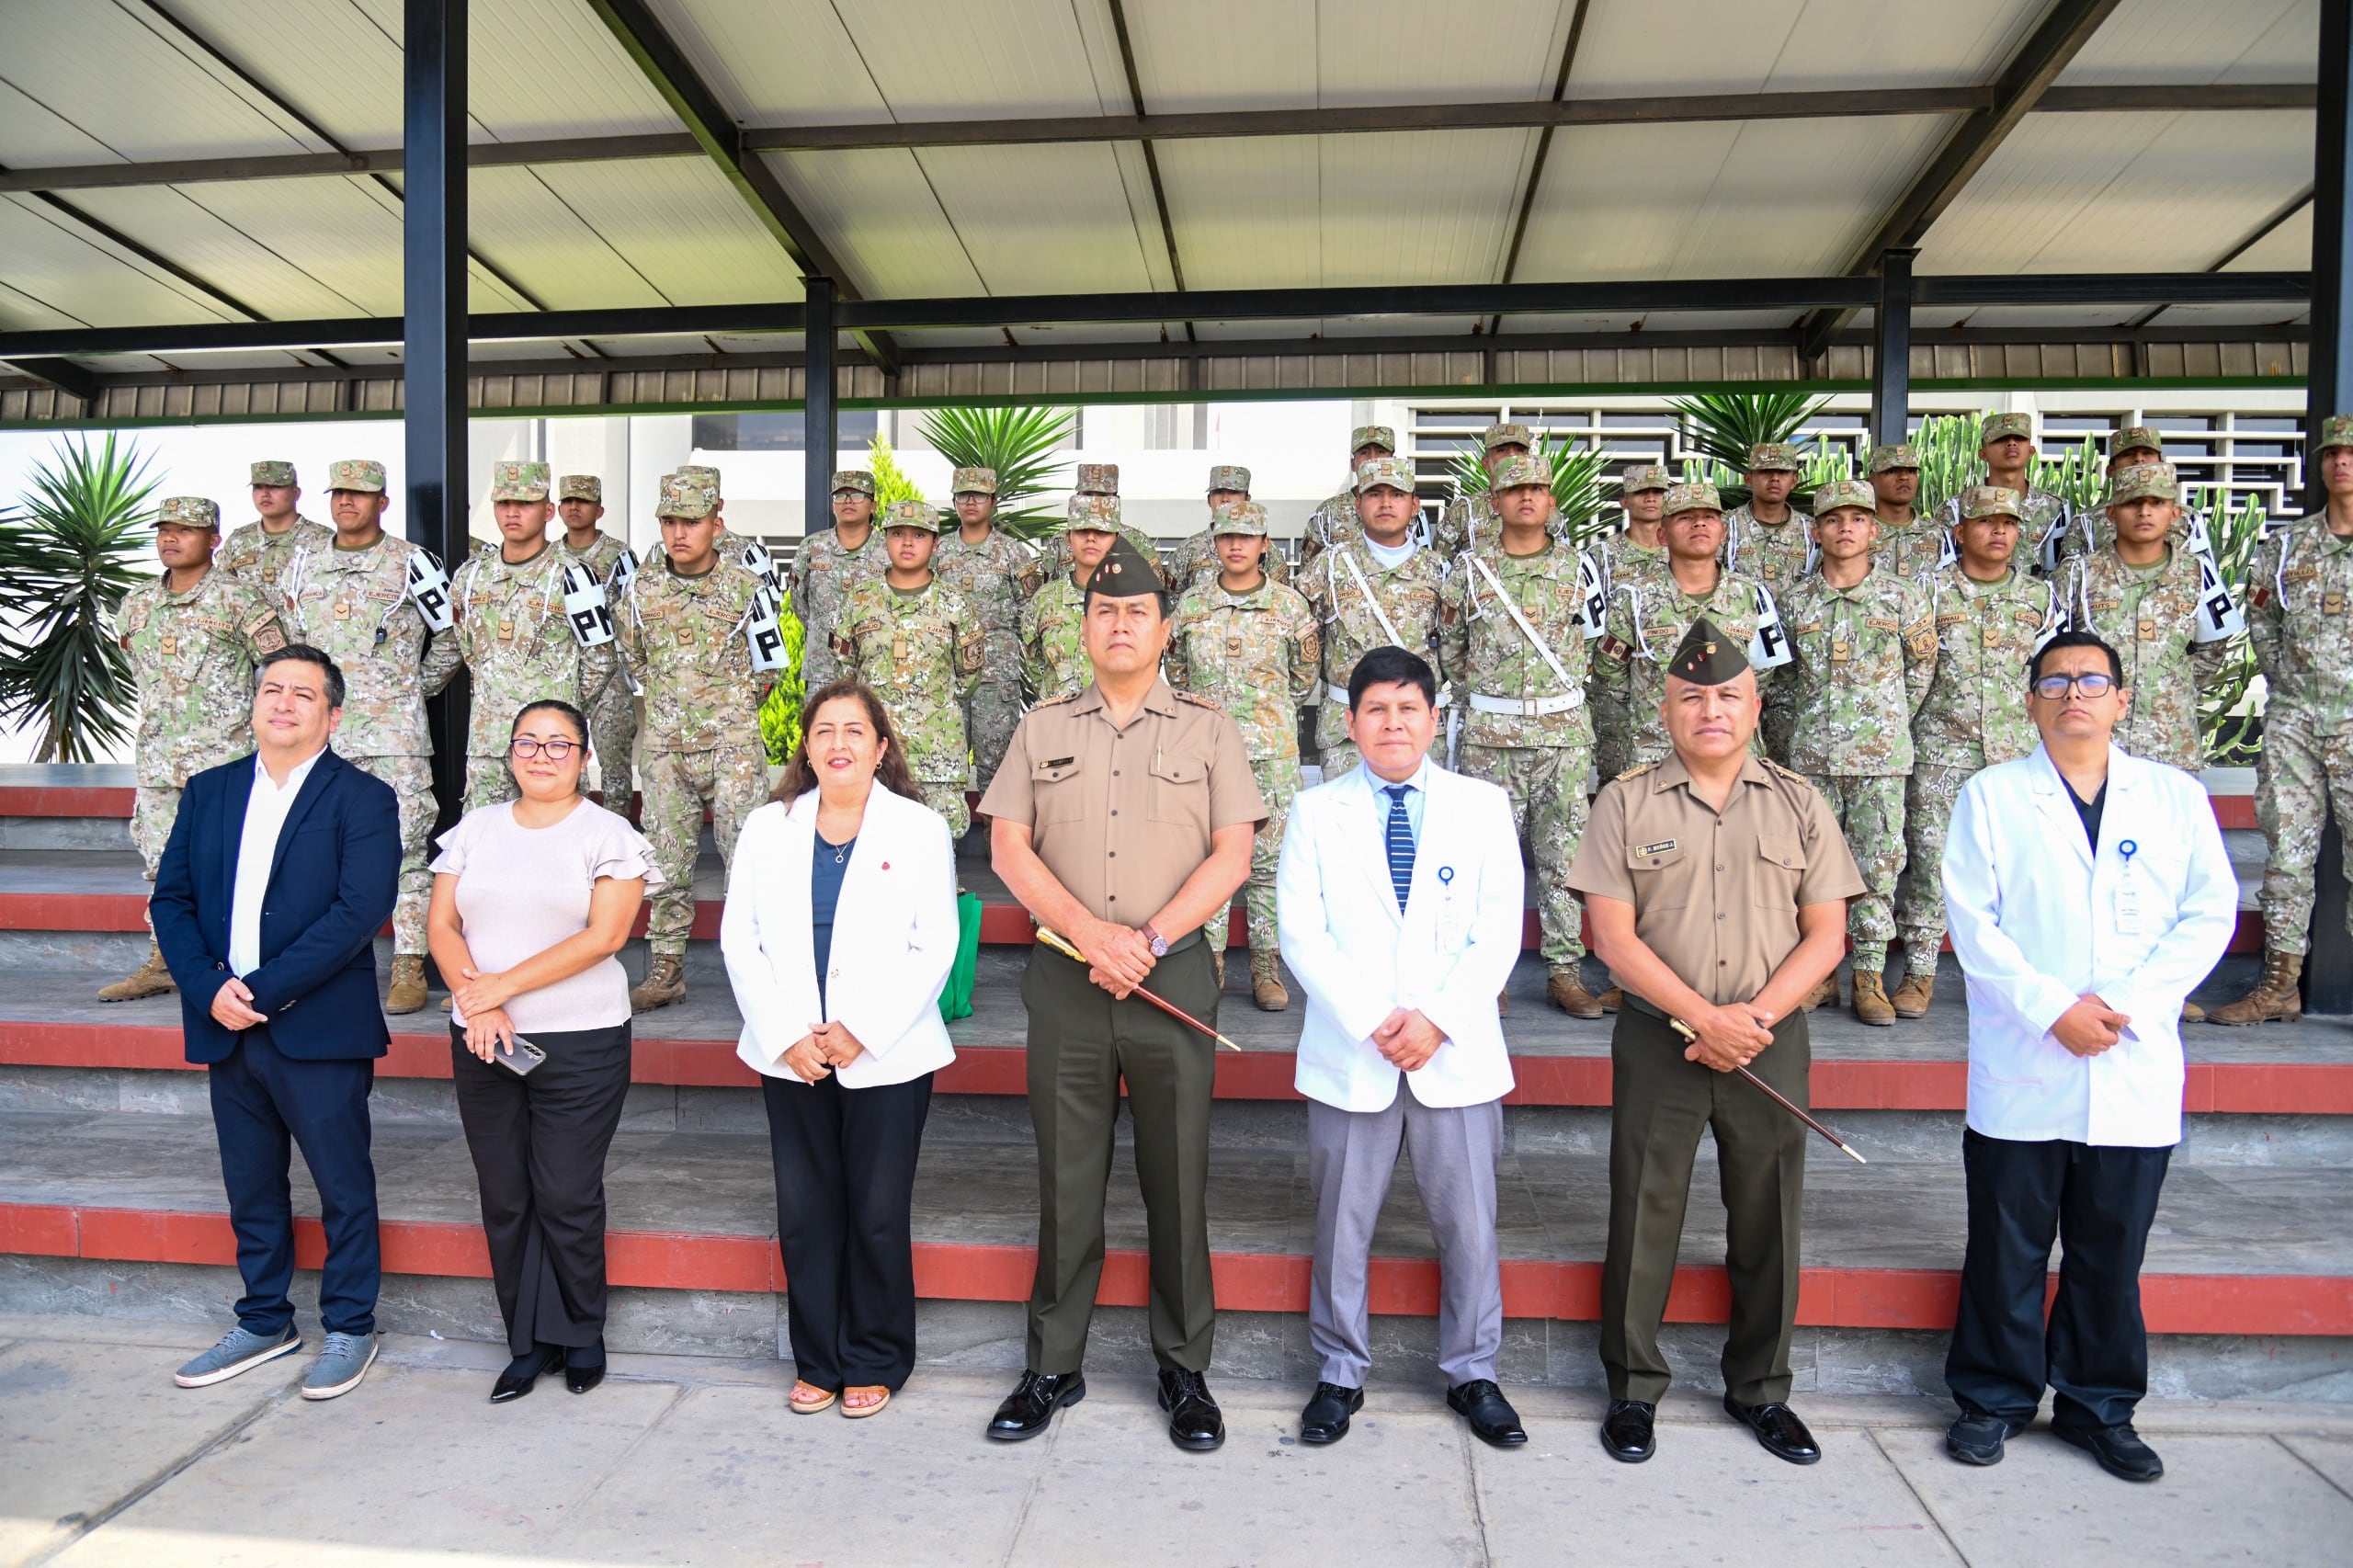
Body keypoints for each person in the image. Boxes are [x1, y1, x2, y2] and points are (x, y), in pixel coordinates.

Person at [979, 535, 1263, 1452]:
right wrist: (1091, 936)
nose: (1119, 623)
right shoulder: (1042, 726)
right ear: (1084, 626)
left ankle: (1183, 1367)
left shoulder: (1210, 727)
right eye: (1104, 610)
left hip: (1171, 972)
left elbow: (1234, 852)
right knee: (1067, 1180)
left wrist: (1144, 940)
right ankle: (1053, 1362)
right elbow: (1008, 847)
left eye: (1136, 610)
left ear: (1164, 629)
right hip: (1068, 977)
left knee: (1177, 1178)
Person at [1938, 629, 2237, 1481]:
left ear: (2122, 699)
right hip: (2028, 1054)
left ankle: (2099, 1407)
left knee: (2111, 1251)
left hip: (2133, 1059)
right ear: (2031, 700)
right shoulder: (1992, 794)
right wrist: (2053, 1010)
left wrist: (2129, 1007)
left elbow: (2209, 913)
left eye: (2093, 680)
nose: (2075, 694)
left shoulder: (2174, 795)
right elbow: (1973, 919)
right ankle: (1992, 1400)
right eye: (2056, 681)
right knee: (2008, 1245)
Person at [1566, 619, 1862, 1467]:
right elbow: (1615, 942)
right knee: (1643, 1211)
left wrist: (1751, 1022)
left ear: (1755, 705)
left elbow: (1827, 936)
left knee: (1770, 1216)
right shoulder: (1625, 801)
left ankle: (1762, 1390)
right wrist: (1705, 1019)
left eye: (1727, 696)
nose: (1711, 710)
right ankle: (1631, 1388)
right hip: (1663, 1040)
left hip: (1771, 1037)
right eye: (1692, 697)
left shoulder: (1801, 801)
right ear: (1666, 711)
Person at [1276, 646, 1529, 1450]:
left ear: (1434, 717)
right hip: (1357, 1052)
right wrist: (1375, 1021)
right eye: (1376, 709)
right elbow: (1300, 933)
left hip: (1453, 1050)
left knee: (1470, 1225)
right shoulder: (1316, 812)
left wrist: (1437, 1021)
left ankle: (1473, 1372)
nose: (1393, 723)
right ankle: (1339, 1373)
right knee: (1341, 1225)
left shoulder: (1482, 805)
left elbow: (1500, 929)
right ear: (1350, 724)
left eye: (1408, 708)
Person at [151, 645, 400, 1401]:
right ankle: (264, 1319)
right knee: (251, 1185)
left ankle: (351, 1326)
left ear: (333, 713)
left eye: (302, 693)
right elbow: (173, 901)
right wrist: (208, 988)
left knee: (342, 1184)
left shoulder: (364, 797)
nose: (283, 703)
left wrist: (259, 989)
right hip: (226, 1024)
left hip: (316, 1026)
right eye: (271, 690)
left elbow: (358, 911)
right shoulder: (210, 791)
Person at [722, 681, 959, 1419]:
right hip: (790, 1053)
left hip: (887, 1052)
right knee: (806, 1211)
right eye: (824, 730)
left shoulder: (920, 829)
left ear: (881, 747)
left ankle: (877, 1355)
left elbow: (935, 944)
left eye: (855, 731)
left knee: (878, 1211)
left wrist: (861, 1029)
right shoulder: (768, 827)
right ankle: (818, 1360)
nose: (839, 744)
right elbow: (741, 938)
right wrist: (788, 1032)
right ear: (807, 747)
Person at [427, 699, 654, 1403]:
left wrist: (500, 988)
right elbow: (442, 922)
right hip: (482, 1037)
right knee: (505, 1194)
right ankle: (525, 1343)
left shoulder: (608, 834)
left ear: (586, 758)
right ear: (511, 754)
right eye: (529, 742)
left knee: (565, 1191)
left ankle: (582, 1333)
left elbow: (605, 937)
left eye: (560, 744)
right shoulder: (476, 829)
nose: (542, 755)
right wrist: (482, 1001)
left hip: (581, 1039)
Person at [278, 458, 461, 1015]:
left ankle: (408, 964)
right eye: (338, 493)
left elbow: (453, 637)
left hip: (394, 739)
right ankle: (321, 963)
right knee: (317, 852)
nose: (346, 503)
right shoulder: (301, 564)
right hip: (321, 741)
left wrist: (408, 689)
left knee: (406, 851)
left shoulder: (414, 564)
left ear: (383, 501)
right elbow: (292, 644)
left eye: (359, 494)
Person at [105, 496, 292, 1003]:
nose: (171, 537)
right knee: (161, 863)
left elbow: (281, 674)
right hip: (160, 761)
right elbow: (141, 675)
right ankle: (164, 959)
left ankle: (236, 965)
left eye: (185, 530)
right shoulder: (136, 603)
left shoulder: (242, 601)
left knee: (231, 862)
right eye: (164, 528)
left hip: (224, 763)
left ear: (213, 538)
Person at [1441, 454, 1607, 1017]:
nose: (1527, 497)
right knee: (1487, 861)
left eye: (1538, 488)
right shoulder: (1467, 571)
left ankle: (1565, 971)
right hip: (1491, 738)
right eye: (1514, 490)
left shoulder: (1579, 568)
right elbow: (1451, 649)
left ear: (1552, 500)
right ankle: (1487, 974)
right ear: (1495, 503)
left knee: (1563, 859)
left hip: (1561, 737)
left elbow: (1597, 643)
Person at [1768, 479, 1937, 1024]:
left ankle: (1868, 977)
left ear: (1874, 530)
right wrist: (1798, 740)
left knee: (1878, 868)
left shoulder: (1904, 597)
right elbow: (1782, 682)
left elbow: (1922, 672)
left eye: (1858, 520)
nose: (1846, 529)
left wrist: (1887, 726)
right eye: (1834, 520)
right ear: (1816, 531)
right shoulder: (1793, 601)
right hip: (1810, 759)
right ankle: (1817, 978)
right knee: (1809, 872)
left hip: (1880, 761)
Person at [609, 472, 774, 1013]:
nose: (680, 533)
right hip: (664, 752)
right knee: (666, 863)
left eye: (692, 522)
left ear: (715, 523)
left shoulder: (750, 590)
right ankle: (666, 971)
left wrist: (723, 709)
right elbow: (632, 660)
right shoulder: (640, 589)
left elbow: (767, 668)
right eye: (670, 521)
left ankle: (758, 970)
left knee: (746, 861)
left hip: (733, 749)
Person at [1894, 486, 2059, 1020]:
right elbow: (1907, 670)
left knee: (2021, 868)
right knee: (1932, 866)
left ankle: (2017, 981)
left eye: (2007, 523)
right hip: (1943, 749)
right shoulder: (1929, 592)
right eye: (1985, 522)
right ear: (1961, 532)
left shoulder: (2040, 597)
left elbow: (2052, 674)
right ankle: (1920, 973)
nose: (1998, 531)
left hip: (2017, 751)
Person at [2216, 413, 2353, 1024]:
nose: (2341, 463)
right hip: (2296, 718)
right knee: (2287, 854)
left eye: (2351, 453)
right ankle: (2280, 985)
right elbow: (2263, 619)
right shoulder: (2290, 545)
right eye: (2332, 454)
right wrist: (2287, 680)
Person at [1167, 498, 1320, 1009]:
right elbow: (1179, 676)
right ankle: (1206, 963)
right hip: (1205, 756)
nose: (1235, 545)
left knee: (1267, 867)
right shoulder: (1190, 606)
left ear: (1263, 545)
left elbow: (1303, 678)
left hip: (1270, 757)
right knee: (1206, 863)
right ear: (1214, 543)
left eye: (1246, 537)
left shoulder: (1290, 606)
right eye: (1226, 536)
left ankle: (1264, 967)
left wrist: (1263, 719)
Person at [448, 460, 618, 811]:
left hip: (552, 746)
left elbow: (601, 658)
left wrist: (561, 708)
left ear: (548, 510)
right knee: (486, 847)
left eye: (525, 503)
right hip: (489, 746)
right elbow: (467, 648)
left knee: (560, 844)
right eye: (504, 503)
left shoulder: (574, 577)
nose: (513, 512)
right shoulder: (471, 578)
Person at [1592, 481, 1781, 772]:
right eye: (1685, 518)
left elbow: (1763, 677)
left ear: (1724, 531)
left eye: (1708, 517)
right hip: (1655, 759)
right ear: (1662, 535)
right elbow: (1611, 681)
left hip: (1732, 760)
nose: (1698, 525)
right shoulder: (1633, 599)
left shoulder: (1753, 597)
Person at [832, 500, 985, 836]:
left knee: (941, 838)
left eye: (919, 535)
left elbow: (969, 674)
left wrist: (932, 706)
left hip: (937, 750)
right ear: (883, 539)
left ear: (935, 544)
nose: (907, 543)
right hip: (875, 751)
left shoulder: (955, 604)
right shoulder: (859, 602)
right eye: (897, 533)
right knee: (873, 834)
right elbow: (844, 669)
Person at [1295, 456, 1448, 779]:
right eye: (1375, 494)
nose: (1386, 503)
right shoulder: (1330, 567)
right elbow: (1302, 643)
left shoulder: (1440, 571)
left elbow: (1456, 651)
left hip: (1416, 728)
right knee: (1348, 826)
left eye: (1397, 494)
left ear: (1415, 504)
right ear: (1358, 503)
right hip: (1346, 729)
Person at [935, 465, 1040, 799]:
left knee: (998, 770)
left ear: (993, 501)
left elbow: (1032, 612)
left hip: (997, 679)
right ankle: (943, 848)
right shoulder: (939, 552)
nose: (970, 502)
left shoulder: (1012, 553)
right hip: (947, 677)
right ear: (954, 502)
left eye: (978, 496)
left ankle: (999, 850)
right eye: (963, 495)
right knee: (943, 766)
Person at [556, 473, 639, 796]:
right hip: (561, 669)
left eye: (584, 501)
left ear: (599, 510)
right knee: (563, 759)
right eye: (568, 501)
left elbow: (634, 614)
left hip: (610, 674)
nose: (574, 507)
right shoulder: (550, 558)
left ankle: (615, 837)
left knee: (614, 761)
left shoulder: (620, 556)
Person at [1590, 462, 1673, 780]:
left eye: (1658, 492)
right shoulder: (1603, 556)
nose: (1650, 499)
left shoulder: (1683, 552)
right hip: (1615, 693)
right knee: (1618, 782)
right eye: (1641, 492)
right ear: (1624, 501)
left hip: (1669, 683)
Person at [1930, 414, 2071, 575]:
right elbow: (1942, 572)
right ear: (1983, 454)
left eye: (2019, 438)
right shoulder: (1955, 508)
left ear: (2031, 451)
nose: (2011, 443)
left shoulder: (2056, 509)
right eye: (2000, 439)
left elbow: (2057, 574)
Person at [1019, 494, 1120, 703]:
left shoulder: (1133, 599)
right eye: (1082, 531)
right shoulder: (1045, 601)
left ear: (1116, 540)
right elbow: (1033, 659)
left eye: (1101, 532)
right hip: (1059, 723)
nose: (1091, 539)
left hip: (1117, 722)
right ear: (1068, 538)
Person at [790, 470, 880, 691]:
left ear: (873, 505)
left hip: (875, 668)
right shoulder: (812, 548)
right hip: (823, 668)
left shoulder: (887, 550)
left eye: (857, 495)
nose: (847, 501)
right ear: (833, 504)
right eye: (840, 496)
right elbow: (799, 603)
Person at [218, 460, 332, 592]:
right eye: (258, 487)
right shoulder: (238, 541)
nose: (265, 494)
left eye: (274, 486)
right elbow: (221, 594)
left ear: (296, 493)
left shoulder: (323, 539)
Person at [1722, 441, 1815, 601]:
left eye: (1782, 472)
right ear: (1749, 479)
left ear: (1794, 481)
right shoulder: (1726, 527)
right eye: (1765, 471)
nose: (1774, 479)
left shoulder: (1812, 532)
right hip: (1740, 624)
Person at [1433, 421, 1534, 560]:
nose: (1512, 456)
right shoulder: (1462, 511)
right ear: (1486, 462)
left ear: (1529, 458)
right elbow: (1439, 567)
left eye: (1519, 450)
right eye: (1502, 450)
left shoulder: (1543, 510)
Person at [1299, 425, 1398, 566]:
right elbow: (1308, 570)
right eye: (1364, 453)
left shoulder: (1407, 511)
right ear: (1353, 464)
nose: (1373, 459)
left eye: (1381, 452)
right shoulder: (1328, 513)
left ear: (1393, 460)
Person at [1868, 442, 1951, 579]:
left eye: (1911, 471)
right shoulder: (1858, 531)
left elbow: (1948, 584)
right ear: (1871, 481)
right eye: (1892, 471)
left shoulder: (1935, 532)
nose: (1904, 477)